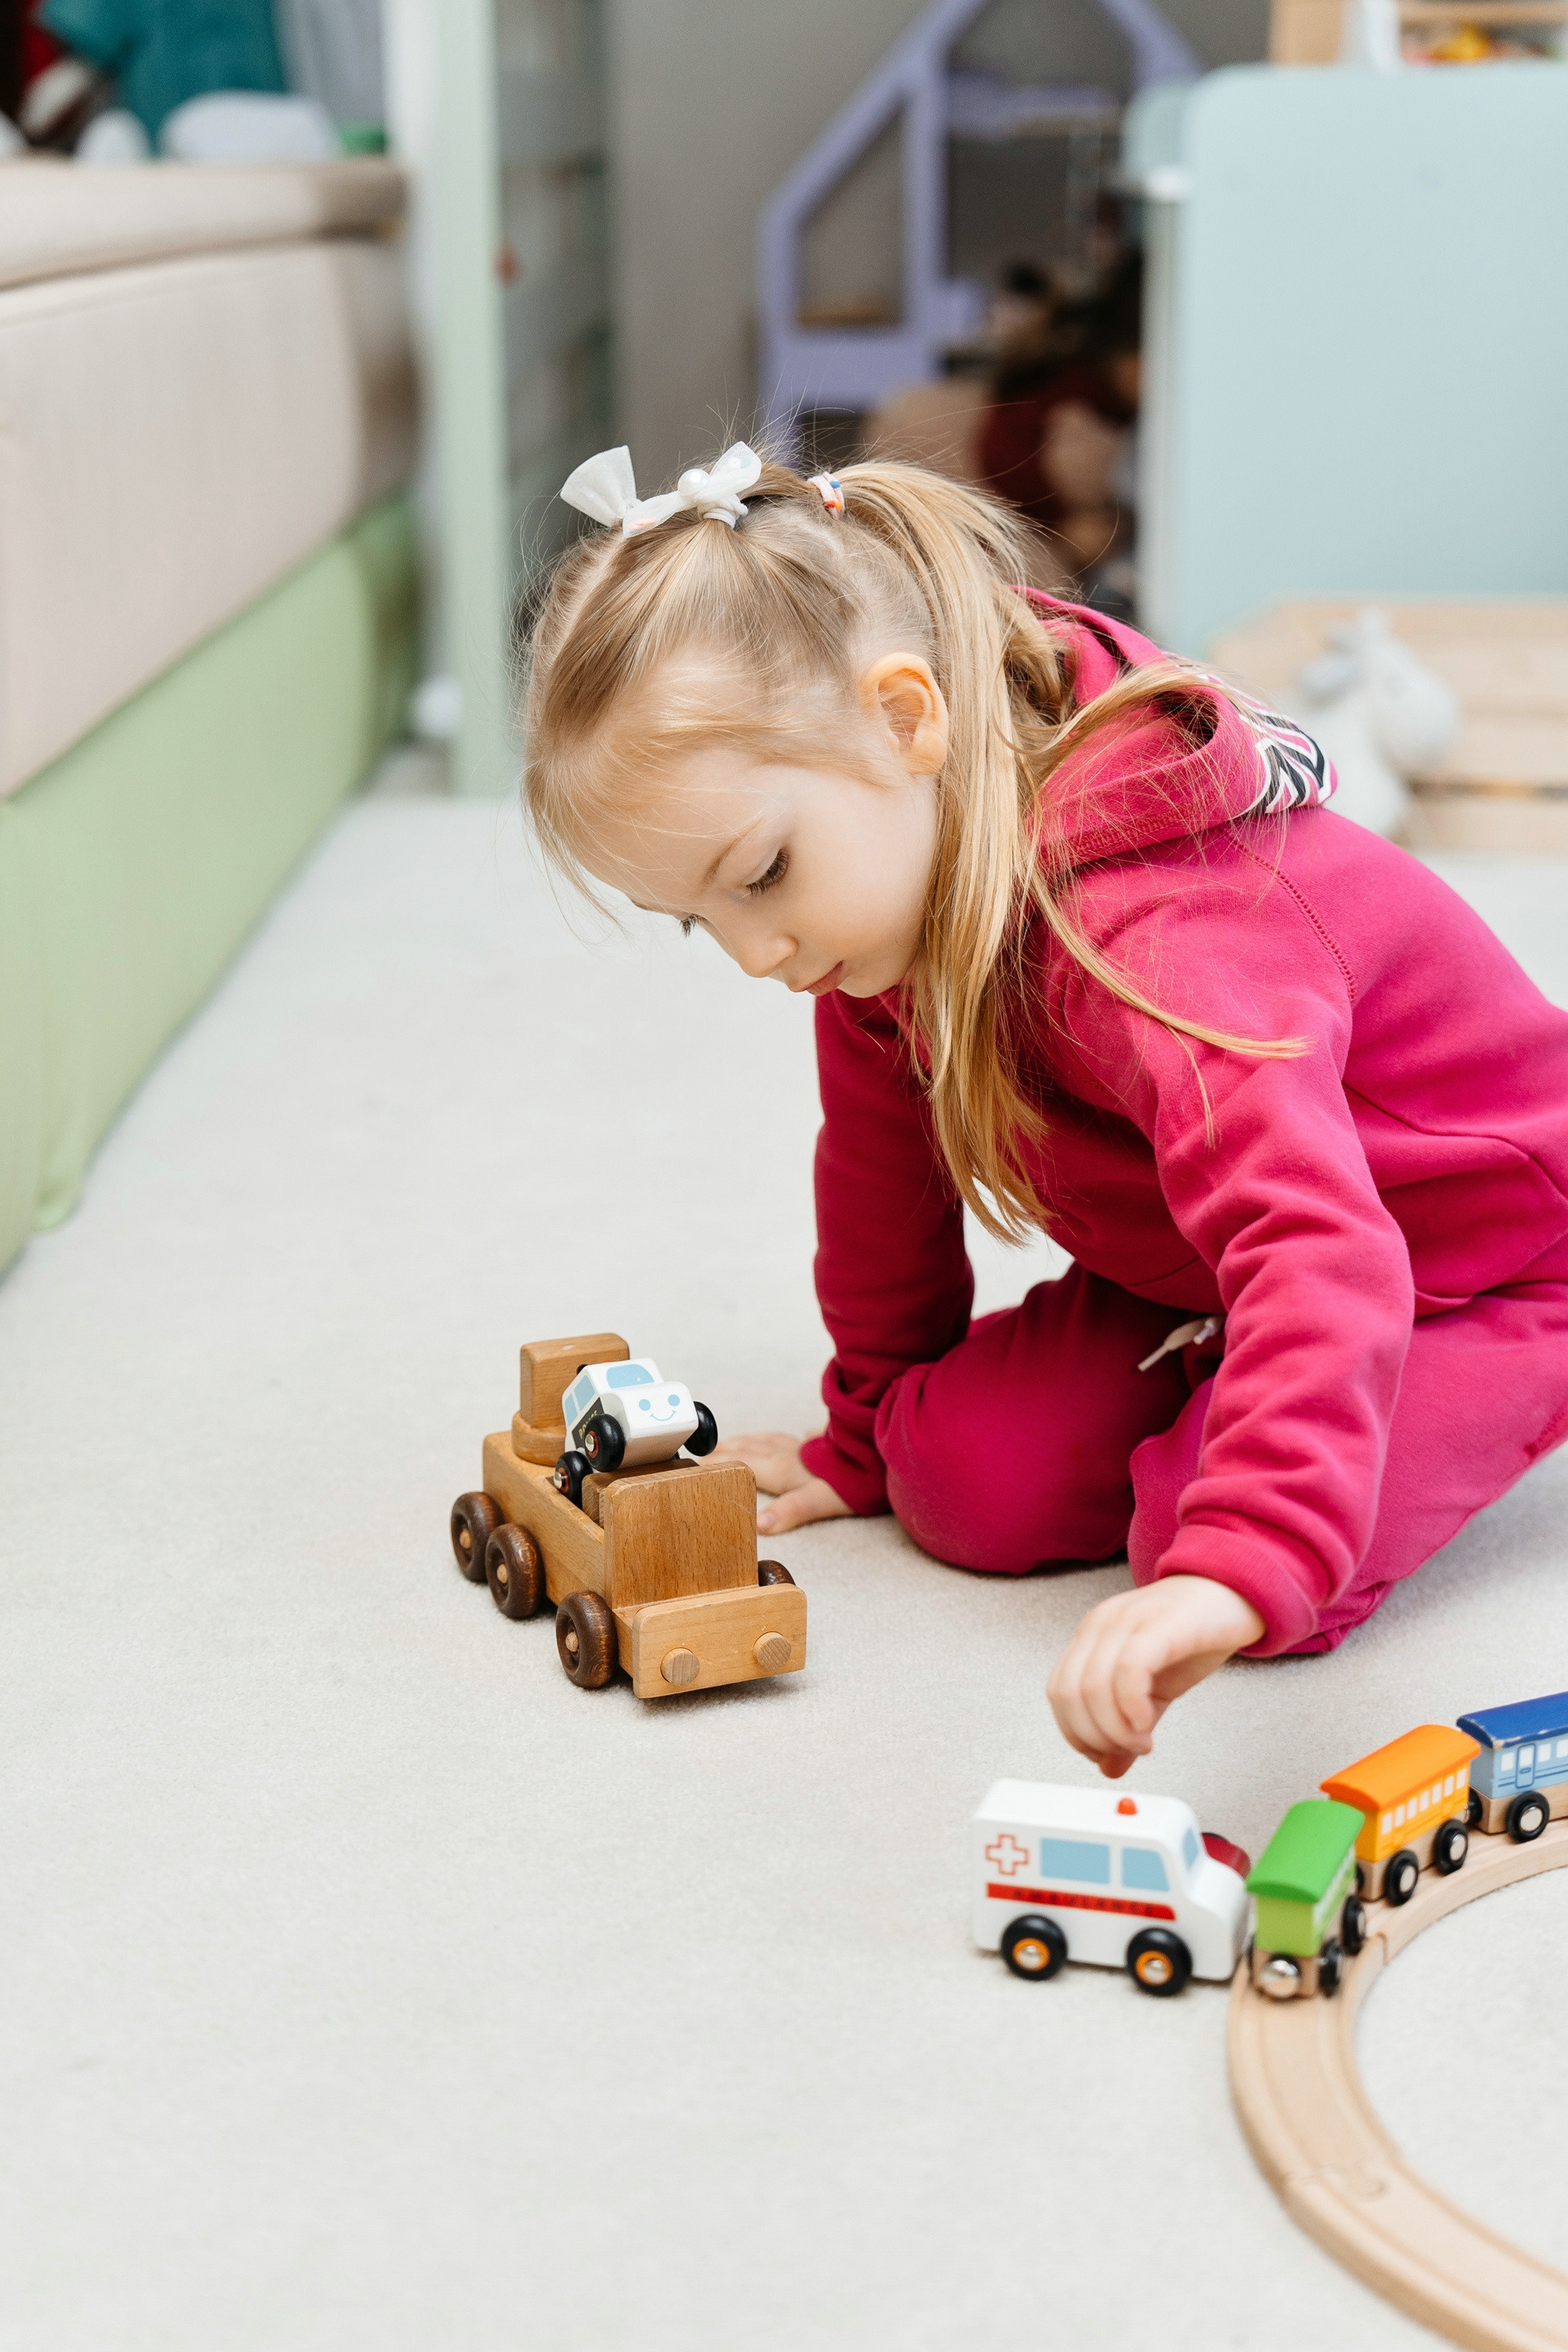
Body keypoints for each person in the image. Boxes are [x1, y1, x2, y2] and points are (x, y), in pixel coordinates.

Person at [519, 439, 1568, 1775]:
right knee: (952, 1482)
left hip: (1480, 1262)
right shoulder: (884, 924)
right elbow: (879, 1187)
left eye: (763, 874)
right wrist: (860, 1434)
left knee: (1213, 1537)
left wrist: (1240, 1558)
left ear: (908, 722)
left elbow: (1319, 1244)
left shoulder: (1167, 942)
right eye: (696, 923)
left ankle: (1362, 1401)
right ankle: (1227, 1382)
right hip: (1201, 1260)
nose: (753, 955)